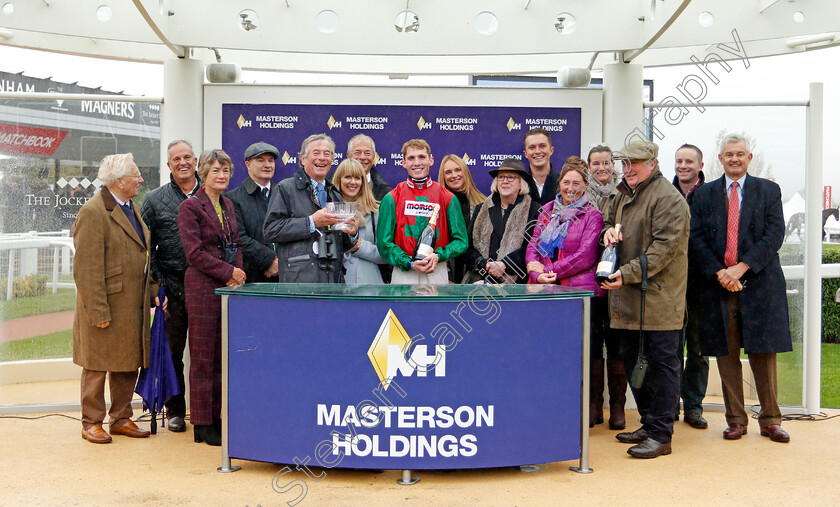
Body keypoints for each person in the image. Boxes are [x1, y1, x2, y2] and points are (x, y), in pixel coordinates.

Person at [689, 133, 792, 443]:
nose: (734, 158)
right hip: (719, 286)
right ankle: (736, 419)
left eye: (740, 154)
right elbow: (695, 239)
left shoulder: (768, 190)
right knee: (726, 353)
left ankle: (771, 420)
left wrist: (740, 267)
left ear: (749, 157)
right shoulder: (704, 194)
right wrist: (721, 272)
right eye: (729, 154)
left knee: (763, 352)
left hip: (759, 284)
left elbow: (774, 235)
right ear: (720, 159)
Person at [600, 139, 690, 459]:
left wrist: (626, 273)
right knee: (630, 360)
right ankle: (649, 422)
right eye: (624, 163)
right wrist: (607, 232)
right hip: (627, 300)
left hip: (660, 301)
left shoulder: (668, 198)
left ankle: (661, 435)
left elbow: (664, 250)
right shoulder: (623, 193)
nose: (627, 169)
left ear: (651, 163)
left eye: (634, 163)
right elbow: (607, 222)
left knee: (663, 367)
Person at [73, 153, 160, 444]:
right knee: (96, 365)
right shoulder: (93, 211)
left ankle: (121, 418)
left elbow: (140, 256)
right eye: (136, 175)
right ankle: (91, 422)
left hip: (130, 304)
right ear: (120, 181)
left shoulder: (129, 207)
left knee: (127, 362)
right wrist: (98, 311)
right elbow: (86, 269)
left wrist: (151, 293)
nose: (141, 179)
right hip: (106, 306)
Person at [178, 149, 246, 446]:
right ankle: (202, 424)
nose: (221, 176)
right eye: (215, 171)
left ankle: (217, 418)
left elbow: (236, 243)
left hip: (229, 287)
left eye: (226, 171)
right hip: (203, 287)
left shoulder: (228, 204)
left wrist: (238, 272)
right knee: (203, 358)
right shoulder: (190, 207)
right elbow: (194, 254)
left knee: (222, 358)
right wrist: (228, 271)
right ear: (202, 174)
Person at [140, 139, 201, 433]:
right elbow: (144, 247)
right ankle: (175, 410)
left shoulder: (212, 194)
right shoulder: (153, 200)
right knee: (172, 354)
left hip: (205, 288)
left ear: (196, 161)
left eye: (187, 157)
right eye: (176, 159)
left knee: (207, 355)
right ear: (168, 166)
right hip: (171, 290)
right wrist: (156, 285)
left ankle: (207, 413)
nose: (182, 163)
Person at [263, 134, 358, 283]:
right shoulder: (285, 189)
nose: (322, 158)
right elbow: (271, 230)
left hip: (332, 283)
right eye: (316, 153)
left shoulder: (334, 194)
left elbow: (343, 245)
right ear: (302, 158)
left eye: (327, 154)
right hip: (299, 283)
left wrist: (352, 234)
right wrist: (311, 222)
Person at [377, 139, 468, 284]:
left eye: (421, 157)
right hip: (404, 271)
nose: (417, 162)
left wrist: (438, 256)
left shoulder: (448, 197)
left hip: (436, 269)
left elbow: (461, 241)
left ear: (431, 160)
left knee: (437, 308)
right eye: (411, 158)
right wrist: (409, 263)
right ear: (403, 163)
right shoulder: (392, 198)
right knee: (402, 308)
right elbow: (383, 243)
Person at [584, 144, 627, 431]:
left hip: (619, 279)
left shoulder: (625, 193)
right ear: (588, 167)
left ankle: (618, 409)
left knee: (617, 343)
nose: (601, 168)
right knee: (591, 344)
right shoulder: (577, 194)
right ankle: (594, 405)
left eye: (606, 162)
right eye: (595, 163)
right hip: (587, 279)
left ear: (613, 165)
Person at [672, 143, 709, 429]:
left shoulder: (711, 195)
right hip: (669, 284)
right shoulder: (665, 193)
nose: (683, 165)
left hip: (701, 284)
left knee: (697, 349)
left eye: (689, 161)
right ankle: (669, 404)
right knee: (670, 348)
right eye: (679, 161)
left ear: (700, 165)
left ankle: (693, 407)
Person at [464, 158, 540, 284]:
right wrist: (486, 265)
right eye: (501, 177)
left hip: (517, 283)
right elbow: (468, 247)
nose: (505, 181)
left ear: (521, 183)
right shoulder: (481, 209)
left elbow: (532, 247)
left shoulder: (534, 210)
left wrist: (505, 265)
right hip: (481, 280)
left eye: (511, 177)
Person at [226, 142, 280, 283]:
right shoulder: (233, 198)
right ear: (248, 165)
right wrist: (269, 261)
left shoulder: (284, 194)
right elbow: (239, 238)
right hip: (252, 278)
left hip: (285, 276)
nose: (267, 165)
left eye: (271, 160)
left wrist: (281, 263)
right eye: (260, 160)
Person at [333, 158, 387, 283]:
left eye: (357, 178)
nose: (353, 182)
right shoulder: (328, 211)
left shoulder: (375, 211)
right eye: (347, 177)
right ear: (339, 180)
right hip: (337, 285)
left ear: (363, 182)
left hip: (369, 286)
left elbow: (386, 255)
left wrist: (359, 246)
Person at [438, 154, 486, 283]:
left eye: (458, 170)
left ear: (465, 172)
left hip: (476, 275)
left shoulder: (483, 203)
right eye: (448, 172)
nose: (454, 175)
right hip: (444, 274)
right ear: (443, 177)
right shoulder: (437, 205)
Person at [335, 134, 393, 201]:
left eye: (367, 153)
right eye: (357, 153)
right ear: (348, 156)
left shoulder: (386, 193)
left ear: (374, 157)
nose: (362, 157)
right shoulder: (329, 187)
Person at [523, 127, 561, 206]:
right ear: (525, 154)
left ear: (551, 150)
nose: (537, 151)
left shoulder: (563, 183)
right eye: (532, 147)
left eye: (542, 146)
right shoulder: (519, 185)